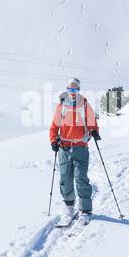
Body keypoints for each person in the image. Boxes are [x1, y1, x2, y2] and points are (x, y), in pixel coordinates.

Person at [49, 77, 100, 224]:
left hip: (80, 147)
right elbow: (54, 127)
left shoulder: (84, 104)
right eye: (70, 89)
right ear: (67, 89)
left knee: (81, 178)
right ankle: (69, 207)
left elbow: (92, 122)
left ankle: (85, 210)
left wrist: (95, 131)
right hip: (64, 148)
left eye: (75, 89)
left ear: (78, 90)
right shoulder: (61, 106)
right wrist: (53, 141)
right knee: (65, 178)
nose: (73, 92)